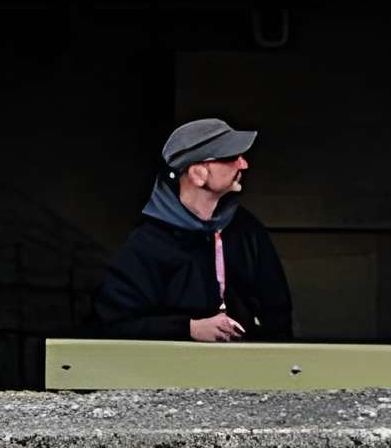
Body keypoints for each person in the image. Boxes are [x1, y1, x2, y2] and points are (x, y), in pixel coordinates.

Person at [94, 116, 297, 342]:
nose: (244, 164)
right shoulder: (147, 244)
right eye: (231, 157)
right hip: (169, 373)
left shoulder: (247, 231)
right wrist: (188, 329)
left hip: (244, 371)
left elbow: (278, 314)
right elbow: (116, 324)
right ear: (198, 173)